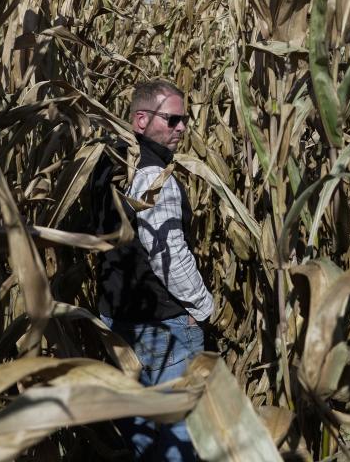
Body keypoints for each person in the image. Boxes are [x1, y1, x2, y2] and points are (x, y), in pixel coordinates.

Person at [94, 79, 214, 461]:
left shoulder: (103, 164)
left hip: (116, 324)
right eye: (173, 119)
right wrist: (203, 307)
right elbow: (168, 255)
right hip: (164, 329)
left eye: (185, 120)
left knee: (143, 444)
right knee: (182, 442)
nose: (182, 128)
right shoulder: (153, 176)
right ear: (141, 120)